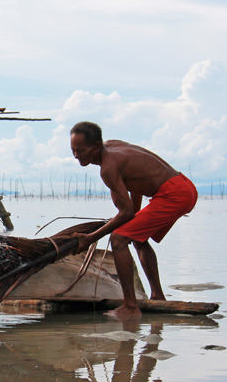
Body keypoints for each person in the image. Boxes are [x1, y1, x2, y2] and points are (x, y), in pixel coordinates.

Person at [69, 121, 198, 320]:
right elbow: (133, 183)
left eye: (81, 150)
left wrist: (90, 238)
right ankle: (157, 295)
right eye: (73, 150)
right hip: (183, 186)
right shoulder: (112, 146)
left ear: (95, 146)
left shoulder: (108, 168)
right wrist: (133, 216)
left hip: (174, 194)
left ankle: (130, 306)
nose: (76, 155)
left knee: (118, 239)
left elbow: (125, 212)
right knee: (137, 237)